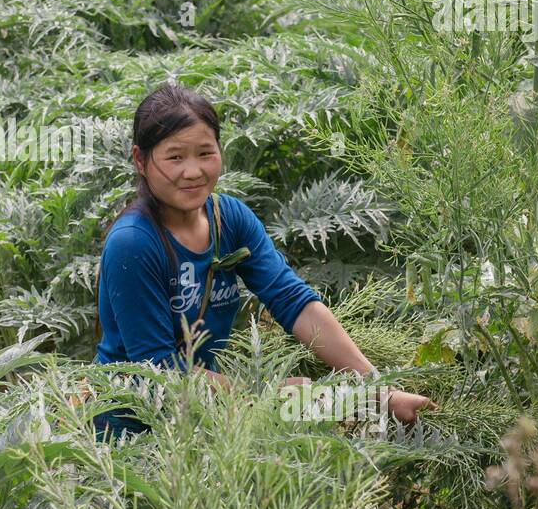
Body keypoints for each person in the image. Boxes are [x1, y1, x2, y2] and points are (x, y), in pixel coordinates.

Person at [92, 82, 434, 441]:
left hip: (204, 420)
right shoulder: (133, 243)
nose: (193, 171)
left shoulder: (231, 219)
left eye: (205, 153)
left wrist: (379, 390)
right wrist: (275, 395)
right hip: (128, 434)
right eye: (175, 157)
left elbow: (292, 301)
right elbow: (159, 370)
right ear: (140, 160)